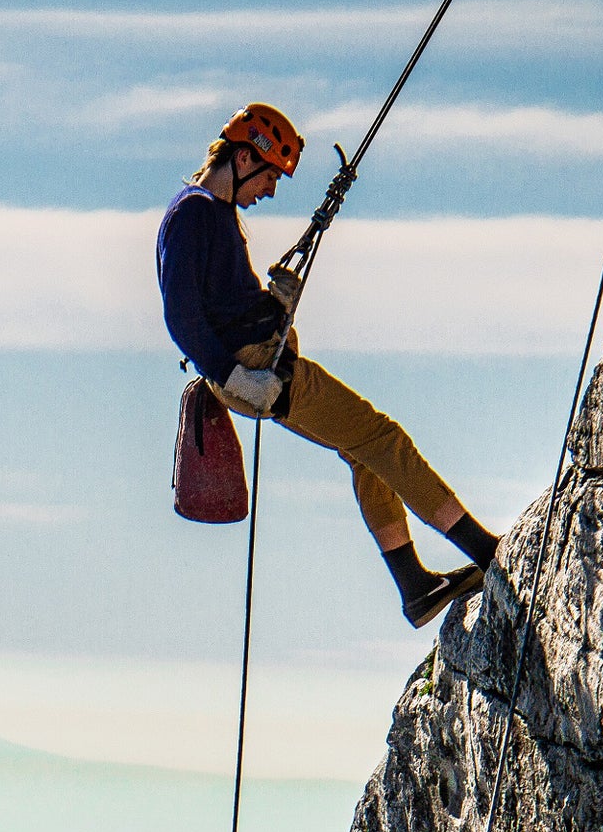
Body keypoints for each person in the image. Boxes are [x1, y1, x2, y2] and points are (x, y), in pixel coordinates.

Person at [157, 103, 500, 628]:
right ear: (245, 157)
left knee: (365, 452)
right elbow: (182, 317)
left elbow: (220, 307)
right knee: (383, 440)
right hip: (257, 372)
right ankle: (486, 550)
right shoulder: (196, 214)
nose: (270, 190)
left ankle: (415, 586)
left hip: (255, 369)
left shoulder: (213, 216)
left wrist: (274, 305)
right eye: (270, 175)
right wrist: (236, 376)